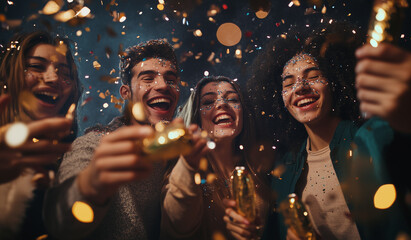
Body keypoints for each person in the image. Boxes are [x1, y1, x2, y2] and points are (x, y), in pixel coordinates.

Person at [247, 22, 411, 240]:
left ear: (334, 83)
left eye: (313, 76)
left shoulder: (376, 137)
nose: (300, 87)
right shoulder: (284, 170)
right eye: (288, 83)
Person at [43, 39, 188, 240]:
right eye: (148, 78)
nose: (163, 85)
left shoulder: (181, 155)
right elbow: (60, 218)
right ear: (126, 93)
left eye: (170, 79)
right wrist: (91, 185)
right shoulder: (96, 144)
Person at [161, 76, 270, 239]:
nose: (222, 104)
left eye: (232, 99)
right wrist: (188, 166)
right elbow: (177, 224)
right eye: (208, 102)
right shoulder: (186, 177)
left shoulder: (265, 172)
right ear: (196, 118)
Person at [0, 31, 81, 240]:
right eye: (36, 66)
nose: (53, 78)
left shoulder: (74, 158)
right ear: (10, 75)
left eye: (64, 73)